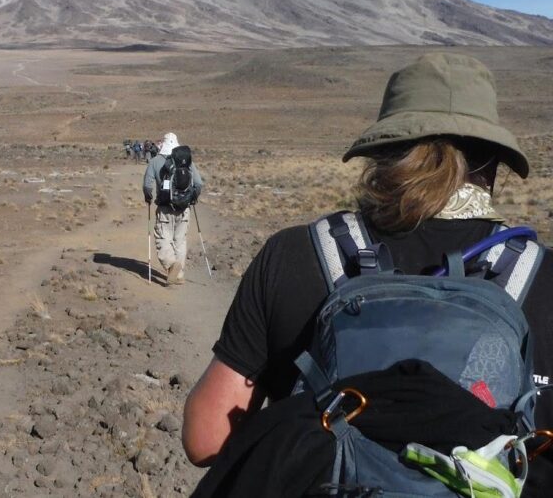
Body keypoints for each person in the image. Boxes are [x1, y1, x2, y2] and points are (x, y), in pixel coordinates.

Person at [182, 52, 553, 496]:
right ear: (495, 166)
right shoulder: (544, 276)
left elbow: (206, 439)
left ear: (381, 153)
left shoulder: (296, 255)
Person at [143, 132, 203, 286]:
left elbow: (147, 186)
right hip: (184, 209)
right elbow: (198, 183)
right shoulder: (186, 162)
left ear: (163, 143)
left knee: (163, 238)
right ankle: (180, 274)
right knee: (180, 241)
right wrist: (193, 198)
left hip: (164, 208)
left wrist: (148, 198)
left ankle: (171, 264)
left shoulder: (155, 161)